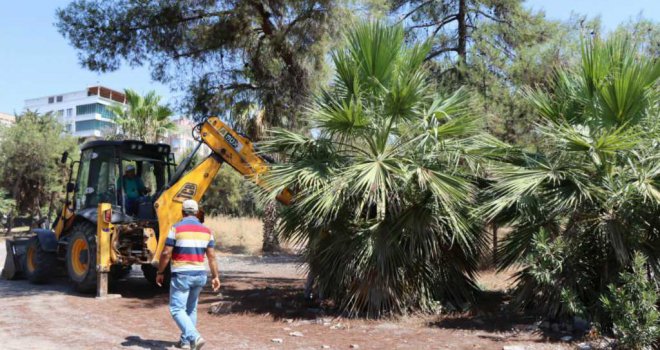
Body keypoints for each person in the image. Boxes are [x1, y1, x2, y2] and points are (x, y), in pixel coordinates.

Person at [156, 199, 220, 350]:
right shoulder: (207, 231)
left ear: (182, 212)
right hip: (199, 274)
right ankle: (186, 342)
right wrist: (215, 276)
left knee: (177, 309)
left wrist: (160, 271)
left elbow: (166, 253)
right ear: (197, 212)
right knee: (191, 309)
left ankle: (194, 336)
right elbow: (212, 257)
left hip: (182, 275)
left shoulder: (176, 228)